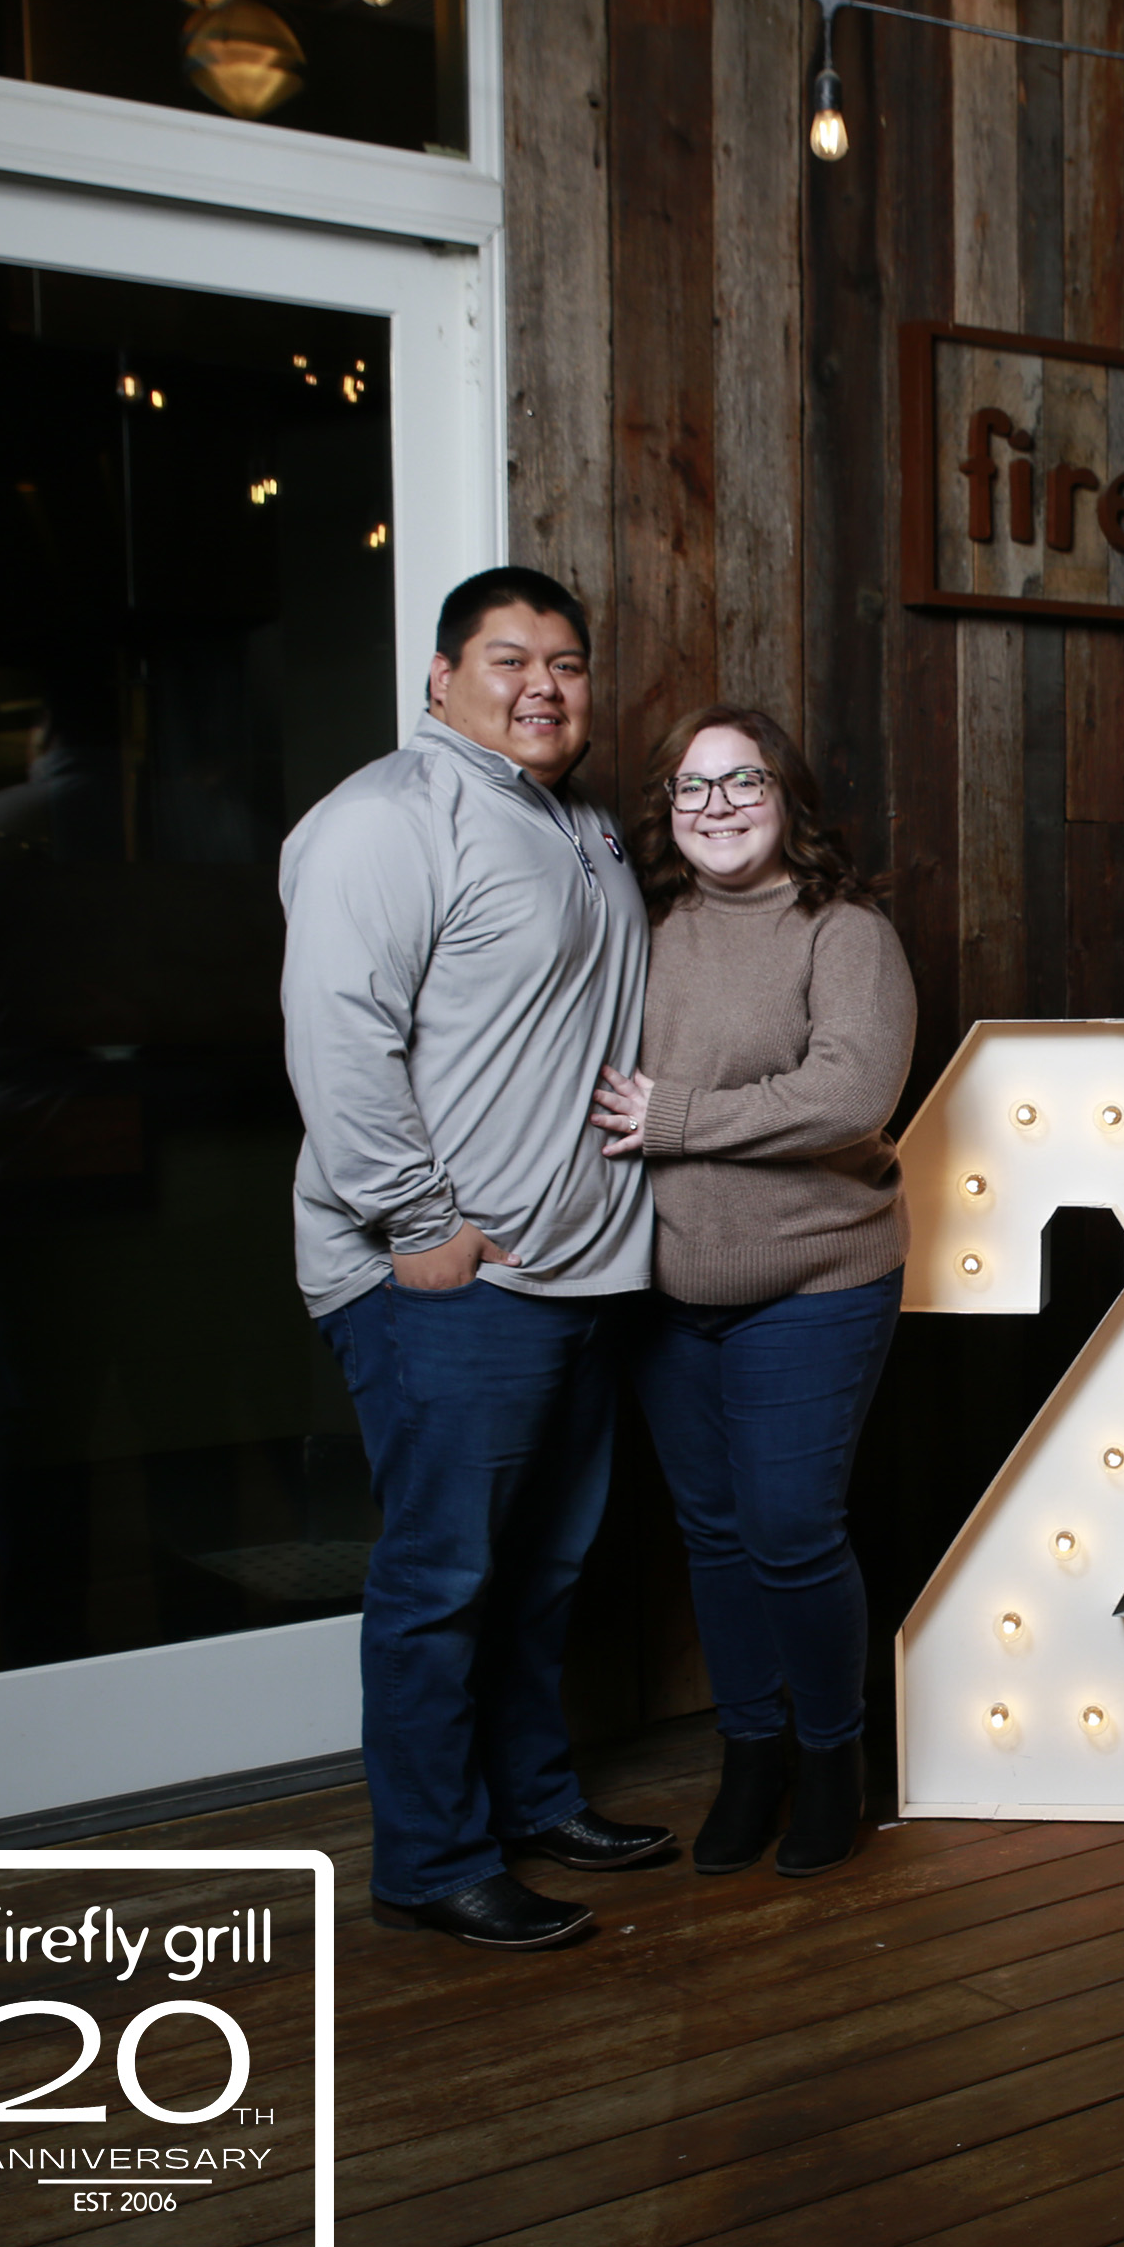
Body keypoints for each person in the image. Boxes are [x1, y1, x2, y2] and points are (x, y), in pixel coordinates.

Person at [279, 566, 678, 1953]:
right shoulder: (387, 819)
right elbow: (339, 1037)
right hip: (452, 1281)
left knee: (542, 1574)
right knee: (444, 1581)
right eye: (508, 659)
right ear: (441, 676)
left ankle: (532, 1800)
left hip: (571, 1274)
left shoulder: (572, 822)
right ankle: (435, 1858)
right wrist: (417, 1225)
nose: (543, 686)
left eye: (565, 661)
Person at [589, 704, 914, 1878]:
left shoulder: (844, 933)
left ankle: (834, 1758)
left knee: (788, 1529)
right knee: (716, 1537)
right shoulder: (644, 928)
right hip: (668, 1287)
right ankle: (753, 1754)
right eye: (692, 786)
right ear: (666, 812)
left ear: (788, 799)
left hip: (814, 1277)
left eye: (744, 782)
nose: (717, 806)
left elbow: (849, 1094)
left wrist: (673, 1119)